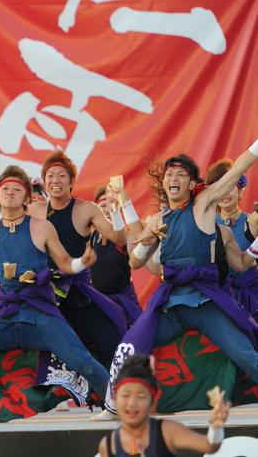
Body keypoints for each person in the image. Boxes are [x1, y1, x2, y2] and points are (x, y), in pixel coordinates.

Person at [0, 165, 110, 417]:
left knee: (82, 360)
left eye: (17, 189)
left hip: (38, 311)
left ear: (27, 198)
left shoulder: (42, 227)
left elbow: (66, 264)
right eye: (5, 189)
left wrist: (82, 262)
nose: (10, 192)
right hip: (3, 312)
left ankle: (116, 406)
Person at [105, 145, 258, 418]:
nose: (174, 177)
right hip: (171, 302)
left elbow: (236, 169)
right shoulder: (158, 219)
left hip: (205, 299)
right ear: (163, 183)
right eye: (169, 174)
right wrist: (131, 214)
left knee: (243, 352)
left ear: (191, 183)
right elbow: (136, 262)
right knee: (129, 346)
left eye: (181, 174)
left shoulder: (203, 204)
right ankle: (114, 406)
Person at [26, 151, 129, 369]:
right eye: (50, 175)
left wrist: (116, 212)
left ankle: (124, 395)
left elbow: (119, 238)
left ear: (72, 181)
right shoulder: (33, 210)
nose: (56, 180)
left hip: (78, 293)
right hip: (44, 296)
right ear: (44, 181)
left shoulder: (85, 209)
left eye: (62, 175)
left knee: (114, 346)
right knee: (22, 351)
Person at [98, 354, 231, 457]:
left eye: (141, 397)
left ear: (153, 403)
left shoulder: (167, 431)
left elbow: (209, 446)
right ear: (114, 399)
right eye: (125, 396)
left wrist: (215, 428)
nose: (132, 404)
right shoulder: (108, 445)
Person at [206, 159, 258, 320]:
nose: (224, 193)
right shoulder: (204, 225)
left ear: (241, 190)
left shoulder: (253, 224)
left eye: (230, 187)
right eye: (219, 188)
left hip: (253, 298)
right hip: (217, 299)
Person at [89, 184, 143, 327]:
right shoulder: (88, 238)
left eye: (111, 205)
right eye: (102, 206)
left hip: (126, 303)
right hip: (97, 303)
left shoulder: (129, 237)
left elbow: (138, 259)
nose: (107, 210)